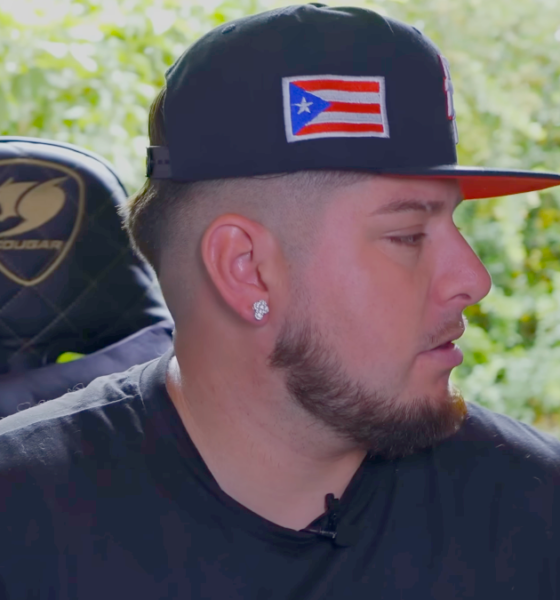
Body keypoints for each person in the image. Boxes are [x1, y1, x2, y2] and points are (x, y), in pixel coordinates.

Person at [1, 5, 559, 599]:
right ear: (246, 269)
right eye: (408, 236)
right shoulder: (21, 524)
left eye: (454, 222)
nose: (473, 279)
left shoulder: (535, 512)